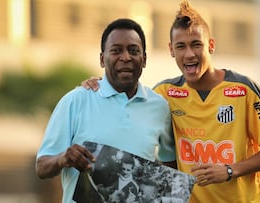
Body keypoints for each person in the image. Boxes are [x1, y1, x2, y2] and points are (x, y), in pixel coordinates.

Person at [81, 0, 260, 202]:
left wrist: (229, 170)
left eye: (196, 44)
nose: (189, 54)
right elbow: (128, 104)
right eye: (181, 46)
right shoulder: (164, 93)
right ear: (171, 49)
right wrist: (101, 84)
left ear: (211, 45)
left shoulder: (243, 90)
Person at [35, 18, 176, 203]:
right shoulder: (75, 101)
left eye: (133, 50)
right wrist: (63, 158)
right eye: (116, 50)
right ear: (102, 59)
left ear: (144, 59)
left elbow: (170, 166)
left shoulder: (160, 107)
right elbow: (42, 167)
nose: (125, 57)